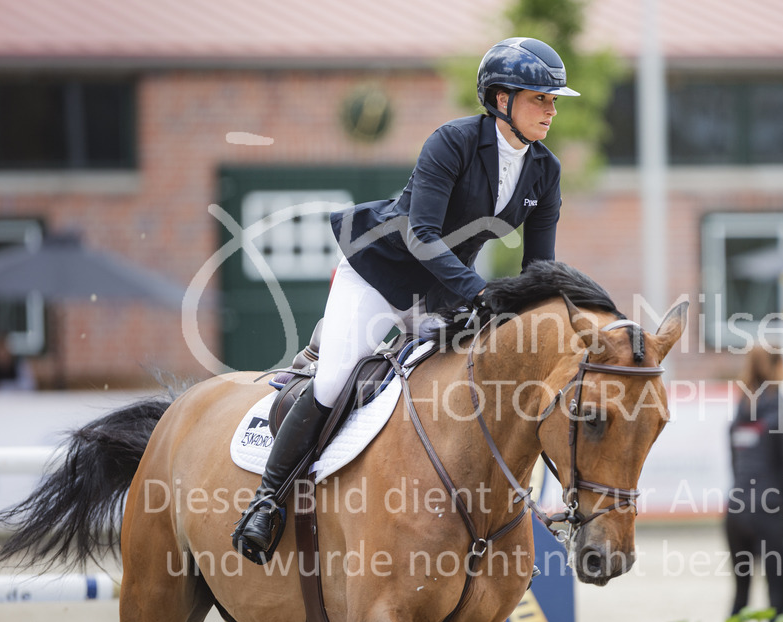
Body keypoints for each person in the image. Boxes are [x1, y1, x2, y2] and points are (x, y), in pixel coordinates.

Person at [233, 37, 580, 562]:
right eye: (540, 99)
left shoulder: (545, 171)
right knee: (335, 379)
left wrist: (545, 321)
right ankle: (267, 502)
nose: (551, 111)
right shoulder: (454, 141)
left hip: (443, 288)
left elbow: (538, 268)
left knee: (491, 383)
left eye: (554, 101)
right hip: (379, 269)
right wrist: (480, 293)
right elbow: (420, 233)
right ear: (501, 100)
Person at [724, 345, 783, 622]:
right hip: (769, 512)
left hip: (736, 512)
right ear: (779, 367)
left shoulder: (739, 415)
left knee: (741, 595)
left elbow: (735, 467)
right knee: (778, 596)